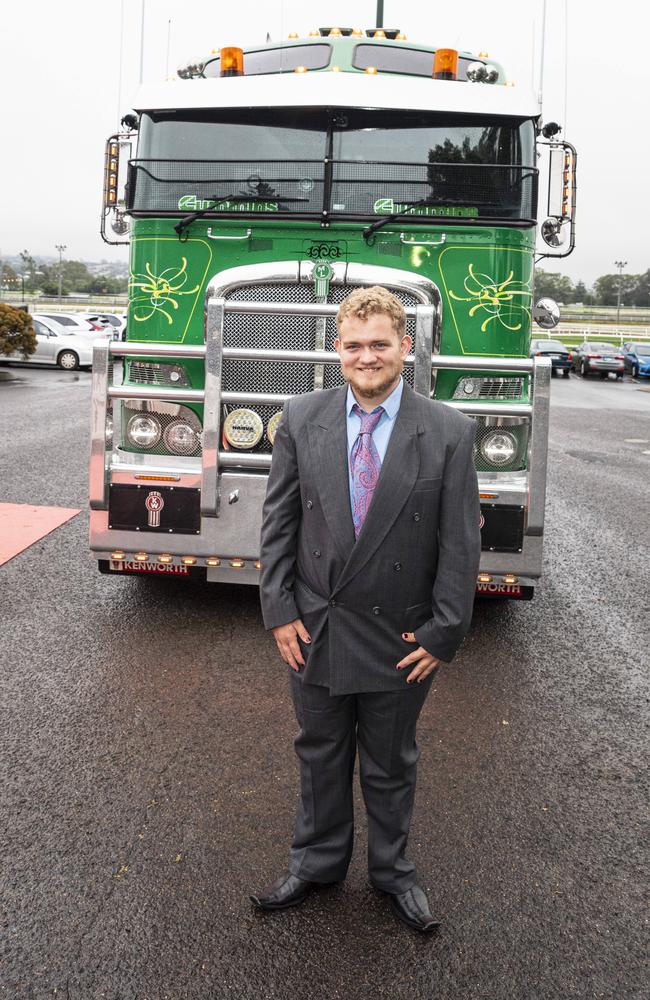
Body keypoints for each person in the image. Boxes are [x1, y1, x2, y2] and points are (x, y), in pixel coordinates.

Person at [252, 286, 481, 932]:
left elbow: (460, 547)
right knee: (319, 752)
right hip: (316, 628)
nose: (366, 356)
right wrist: (279, 610)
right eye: (354, 345)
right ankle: (316, 863)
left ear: (406, 347)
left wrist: (442, 635)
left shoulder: (448, 433)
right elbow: (279, 524)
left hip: (402, 636)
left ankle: (393, 872)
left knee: (390, 762)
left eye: (380, 343)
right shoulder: (301, 418)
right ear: (337, 351)